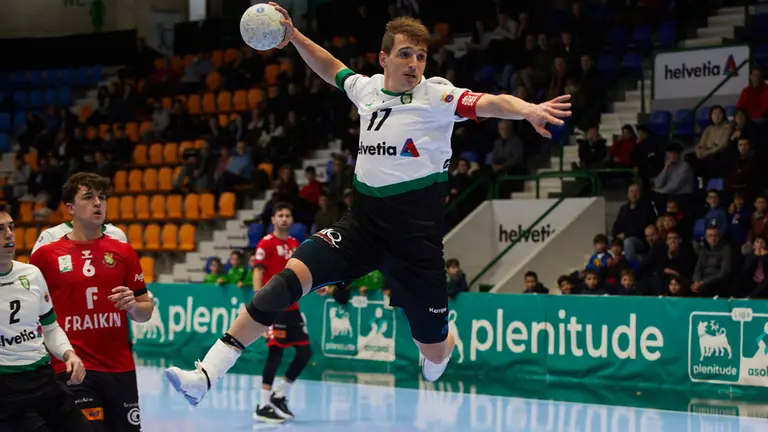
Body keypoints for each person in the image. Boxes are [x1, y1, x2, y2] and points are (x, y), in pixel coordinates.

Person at [164, 6, 570, 406]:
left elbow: (492, 102)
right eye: (405, 54)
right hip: (361, 228)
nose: (414, 63)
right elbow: (331, 67)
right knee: (286, 281)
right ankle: (205, 375)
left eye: (421, 56)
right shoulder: (369, 90)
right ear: (384, 58)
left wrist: (529, 110)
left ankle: (444, 343)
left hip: (416, 246)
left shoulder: (438, 95)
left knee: (432, 353)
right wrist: (294, 37)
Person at [29, 173, 154, 431]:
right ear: (70, 208)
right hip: (73, 366)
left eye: (102, 197)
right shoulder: (46, 255)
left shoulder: (123, 250)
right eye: (88, 197)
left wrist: (133, 306)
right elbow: (33, 314)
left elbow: (145, 312)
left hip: (119, 367)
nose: (98, 203)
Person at [0, 207, 91, 432]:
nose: (9, 234)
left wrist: (69, 353)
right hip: (6, 389)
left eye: (11, 227)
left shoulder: (31, 274)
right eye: (0, 229)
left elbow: (50, 327)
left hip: (44, 379)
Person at [251, 202, 312, 423]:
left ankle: (280, 395)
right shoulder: (266, 243)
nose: (284, 219)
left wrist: (318, 286)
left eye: (288, 215)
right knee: (275, 353)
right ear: (273, 220)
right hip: (273, 307)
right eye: (280, 215)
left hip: (293, 307)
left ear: (292, 220)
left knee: (305, 353)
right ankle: (263, 405)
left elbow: (303, 273)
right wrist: (259, 300)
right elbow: (258, 271)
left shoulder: (296, 244)